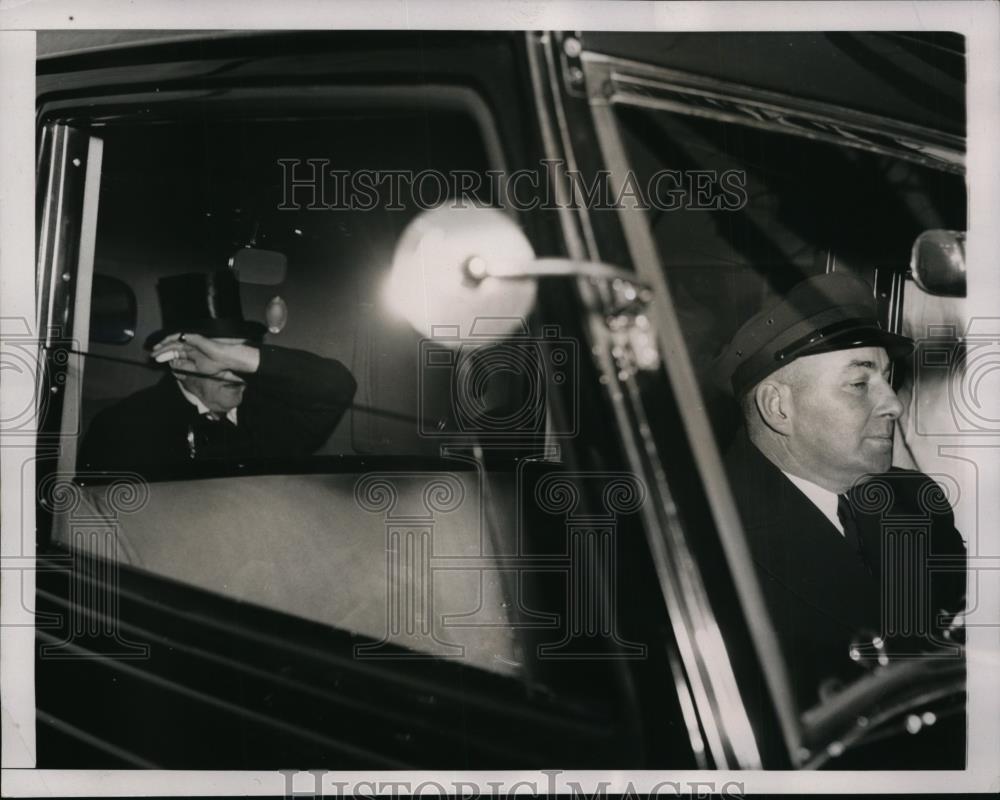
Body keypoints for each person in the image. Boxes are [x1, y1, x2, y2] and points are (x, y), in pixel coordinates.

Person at [714, 272, 966, 712]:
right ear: (778, 407)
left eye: (888, 379)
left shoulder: (915, 503)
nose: (894, 404)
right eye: (859, 384)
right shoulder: (706, 536)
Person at [78, 270, 357, 475]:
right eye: (216, 354)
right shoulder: (124, 427)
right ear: (178, 361)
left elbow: (339, 386)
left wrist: (234, 357)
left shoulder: (271, 412)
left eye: (241, 355)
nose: (238, 372)